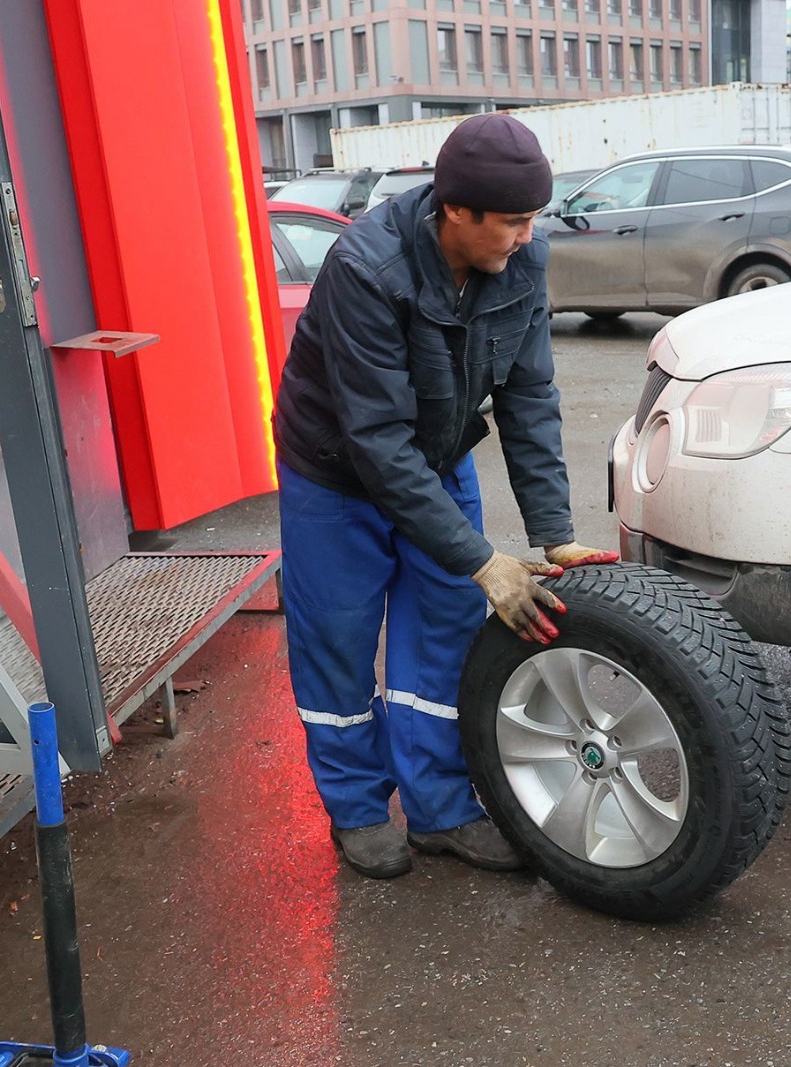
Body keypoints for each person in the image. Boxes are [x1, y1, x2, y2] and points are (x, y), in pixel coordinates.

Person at [272, 113, 619, 879]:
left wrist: (553, 528)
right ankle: (360, 809)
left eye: (535, 219)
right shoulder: (366, 268)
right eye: (515, 222)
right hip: (336, 475)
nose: (528, 237)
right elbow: (376, 443)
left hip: (436, 459)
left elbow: (530, 394)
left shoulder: (521, 265)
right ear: (455, 211)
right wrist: (481, 558)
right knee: (337, 643)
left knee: (445, 636)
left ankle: (441, 810)